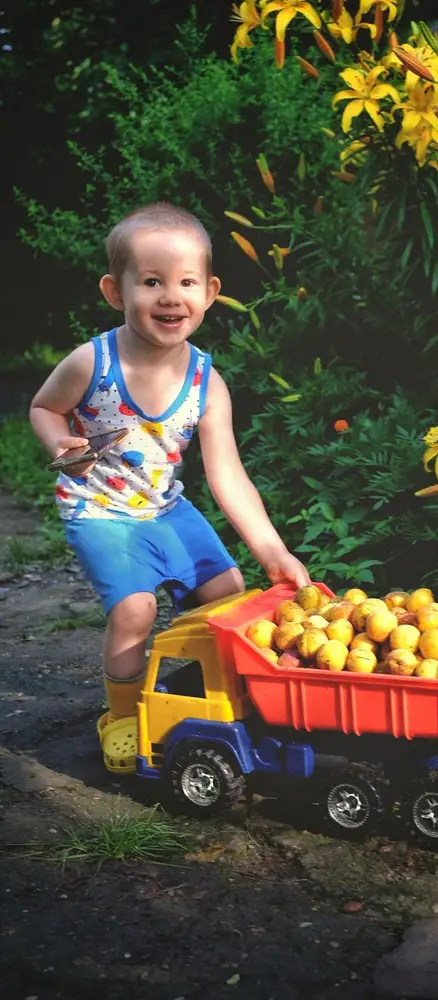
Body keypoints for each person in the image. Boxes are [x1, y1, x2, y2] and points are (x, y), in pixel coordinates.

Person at [29, 202, 310, 771]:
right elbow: (43, 406)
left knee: (230, 595)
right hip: (99, 509)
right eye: (151, 281)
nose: (169, 296)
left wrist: (272, 552)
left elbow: (226, 472)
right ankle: (125, 716)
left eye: (185, 282)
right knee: (134, 610)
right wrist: (60, 443)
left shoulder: (208, 381)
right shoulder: (93, 363)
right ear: (116, 290)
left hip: (164, 507)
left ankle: (198, 700)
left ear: (209, 292)